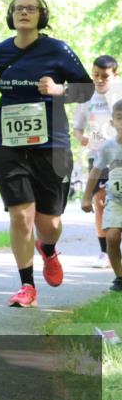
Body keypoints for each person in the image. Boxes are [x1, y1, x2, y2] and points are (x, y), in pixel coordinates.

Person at [0, 0, 93, 308]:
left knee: (49, 222)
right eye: (18, 8)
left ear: (41, 15)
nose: (24, 13)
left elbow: (86, 89)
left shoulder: (58, 50)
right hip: (7, 142)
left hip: (51, 145)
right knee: (20, 214)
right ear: (11, 15)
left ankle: (49, 249)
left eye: (31, 9)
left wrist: (59, 90)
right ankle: (26, 285)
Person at [72, 55, 121, 268]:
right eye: (95, 75)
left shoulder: (119, 93)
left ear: (115, 75)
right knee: (100, 201)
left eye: (104, 76)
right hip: (98, 155)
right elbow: (77, 127)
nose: (99, 80)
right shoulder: (86, 97)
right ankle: (104, 251)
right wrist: (80, 137)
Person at [81, 99, 122, 293]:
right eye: (120, 118)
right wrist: (87, 197)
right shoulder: (108, 147)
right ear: (113, 123)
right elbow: (95, 172)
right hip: (116, 200)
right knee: (112, 237)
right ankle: (120, 277)